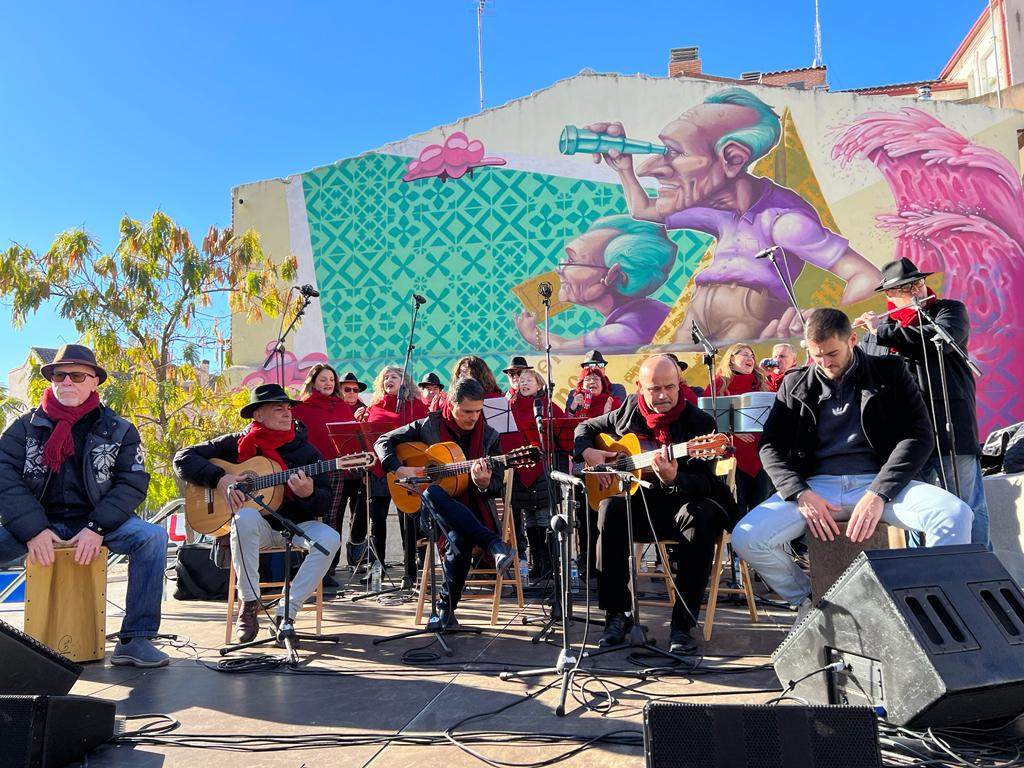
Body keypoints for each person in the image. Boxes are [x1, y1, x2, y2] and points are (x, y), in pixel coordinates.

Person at [731, 309, 973, 616]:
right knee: (747, 537)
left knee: (956, 514)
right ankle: (809, 602)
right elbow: (770, 446)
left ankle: (937, 609)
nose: (824, 363)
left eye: (832, 353)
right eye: (816, 355)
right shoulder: (794, 384)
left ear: (853, 340)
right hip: (815, 489)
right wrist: (799, 493)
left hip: (880, 483)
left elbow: (918, 436)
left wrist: (878, 493)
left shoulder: (890, 372)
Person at [586, 88, 880, 341]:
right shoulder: (719, 210)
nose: (649, 168)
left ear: (732, 158)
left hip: (751, 316)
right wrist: (623, 168)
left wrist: (830, 330)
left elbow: (866, 276)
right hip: (698, 313)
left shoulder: (785, 223)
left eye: (674, 152)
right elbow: (644, 210)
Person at [0, 344, 168, 666]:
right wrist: (34, 530)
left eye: (77, 375)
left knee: (152, 537)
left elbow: (132, 482)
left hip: (95, 522)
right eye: (59, 375)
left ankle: (136, 639)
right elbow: (4, 479)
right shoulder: (23, 428)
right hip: (38, 523)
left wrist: (97, 527)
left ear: (94, 382)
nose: (67, 382)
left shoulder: (120, 430)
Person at [575, 355, 739, 654]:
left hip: (680, 506)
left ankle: (683, 624)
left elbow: (707, 483)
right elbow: (584, 428)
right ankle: (617, 615)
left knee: (698, 516)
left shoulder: (700, 424)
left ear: (680, 385)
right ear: (640, 388)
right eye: (654, 389)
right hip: (640, 504)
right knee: (610, 509)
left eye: (670, 388)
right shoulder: (626, 411)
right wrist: (589, 452)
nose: (663, 396)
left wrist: (675, 477)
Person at [173, 383, 339, 643]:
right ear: (258, 415)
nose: (288, 413)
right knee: (245, 517)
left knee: (329, 539)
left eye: (288, 408)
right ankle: (249, 604)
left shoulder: (306, 452)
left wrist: (308, 494)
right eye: (278, 408)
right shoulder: (235, 444)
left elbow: (325, 502)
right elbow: (183, 458)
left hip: (295, 526)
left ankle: (287, 613)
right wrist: (219, 478)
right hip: (256, 531)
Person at [854, 257, 989, 548]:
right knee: (920, 510)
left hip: (949, 423)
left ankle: (981, 573)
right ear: (890, 295)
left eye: (917, 282)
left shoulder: (947, 310)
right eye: (906, 287)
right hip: (906, 435)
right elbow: (865, 373)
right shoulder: (878, 330)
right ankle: (927, 572)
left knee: (967, 504)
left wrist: (882, 331)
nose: (916, 289)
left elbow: (935, 338)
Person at [375, 377, 515, 627]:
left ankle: (444, 611)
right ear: (451, 404)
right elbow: (382, 441)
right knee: (431, 494)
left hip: (472, 509)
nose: (474, 417)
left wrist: (483, 483)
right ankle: (493, 544)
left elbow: (495, 484)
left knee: (460, 535)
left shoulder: (489, 437)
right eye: (467, 411)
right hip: (431, 516)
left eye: (478, 411)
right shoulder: (429, 425)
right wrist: (398, 469)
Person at [514, 217, 677, 353]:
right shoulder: (652, 312)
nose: (559, 270)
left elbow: (567, 350)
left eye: (571, 261)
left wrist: (531, 333)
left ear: (612, 275)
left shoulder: (624, 332)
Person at [362, 366, 430, 585]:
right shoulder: (373, 408)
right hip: (380, 472)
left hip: (407, 469)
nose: (388, 380)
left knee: (408, 522)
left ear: (404, 381)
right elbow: (368, 439)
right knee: (377, 522)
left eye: (393, 376)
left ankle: (410, 573)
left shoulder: (417, 406)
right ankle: (376, 572)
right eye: (385, 377)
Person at [291, 363, 355, 589]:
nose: (328, 383)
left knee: (332, 519)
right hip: (308, 472)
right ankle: (305, 570)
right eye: (323, 380)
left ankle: (327, 570)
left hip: (335, 470)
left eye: (331, 379)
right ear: (313, 382)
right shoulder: (301, 408)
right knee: (309, 520)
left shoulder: (342, 406)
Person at [504, 368, 565, 582]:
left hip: (543, 467)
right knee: (528, 518)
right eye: (521, 380)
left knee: (543, 516)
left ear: (539, 385)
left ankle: (548, 563)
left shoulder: (547, 405)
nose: (524, 383)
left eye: (529, 380)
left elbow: (564, 429)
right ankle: (536, 563)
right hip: (519, 468)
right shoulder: (509, 407)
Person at [714, 344, 771, 515]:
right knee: (737, 510)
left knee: (760, 509)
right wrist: (732, 431)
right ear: (731, 358)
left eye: (752, 356)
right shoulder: (719, 383)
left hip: (759, 455)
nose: (750, 359)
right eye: (745, 354)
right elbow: (706, 418)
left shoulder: (762, 384)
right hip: (732, 455)